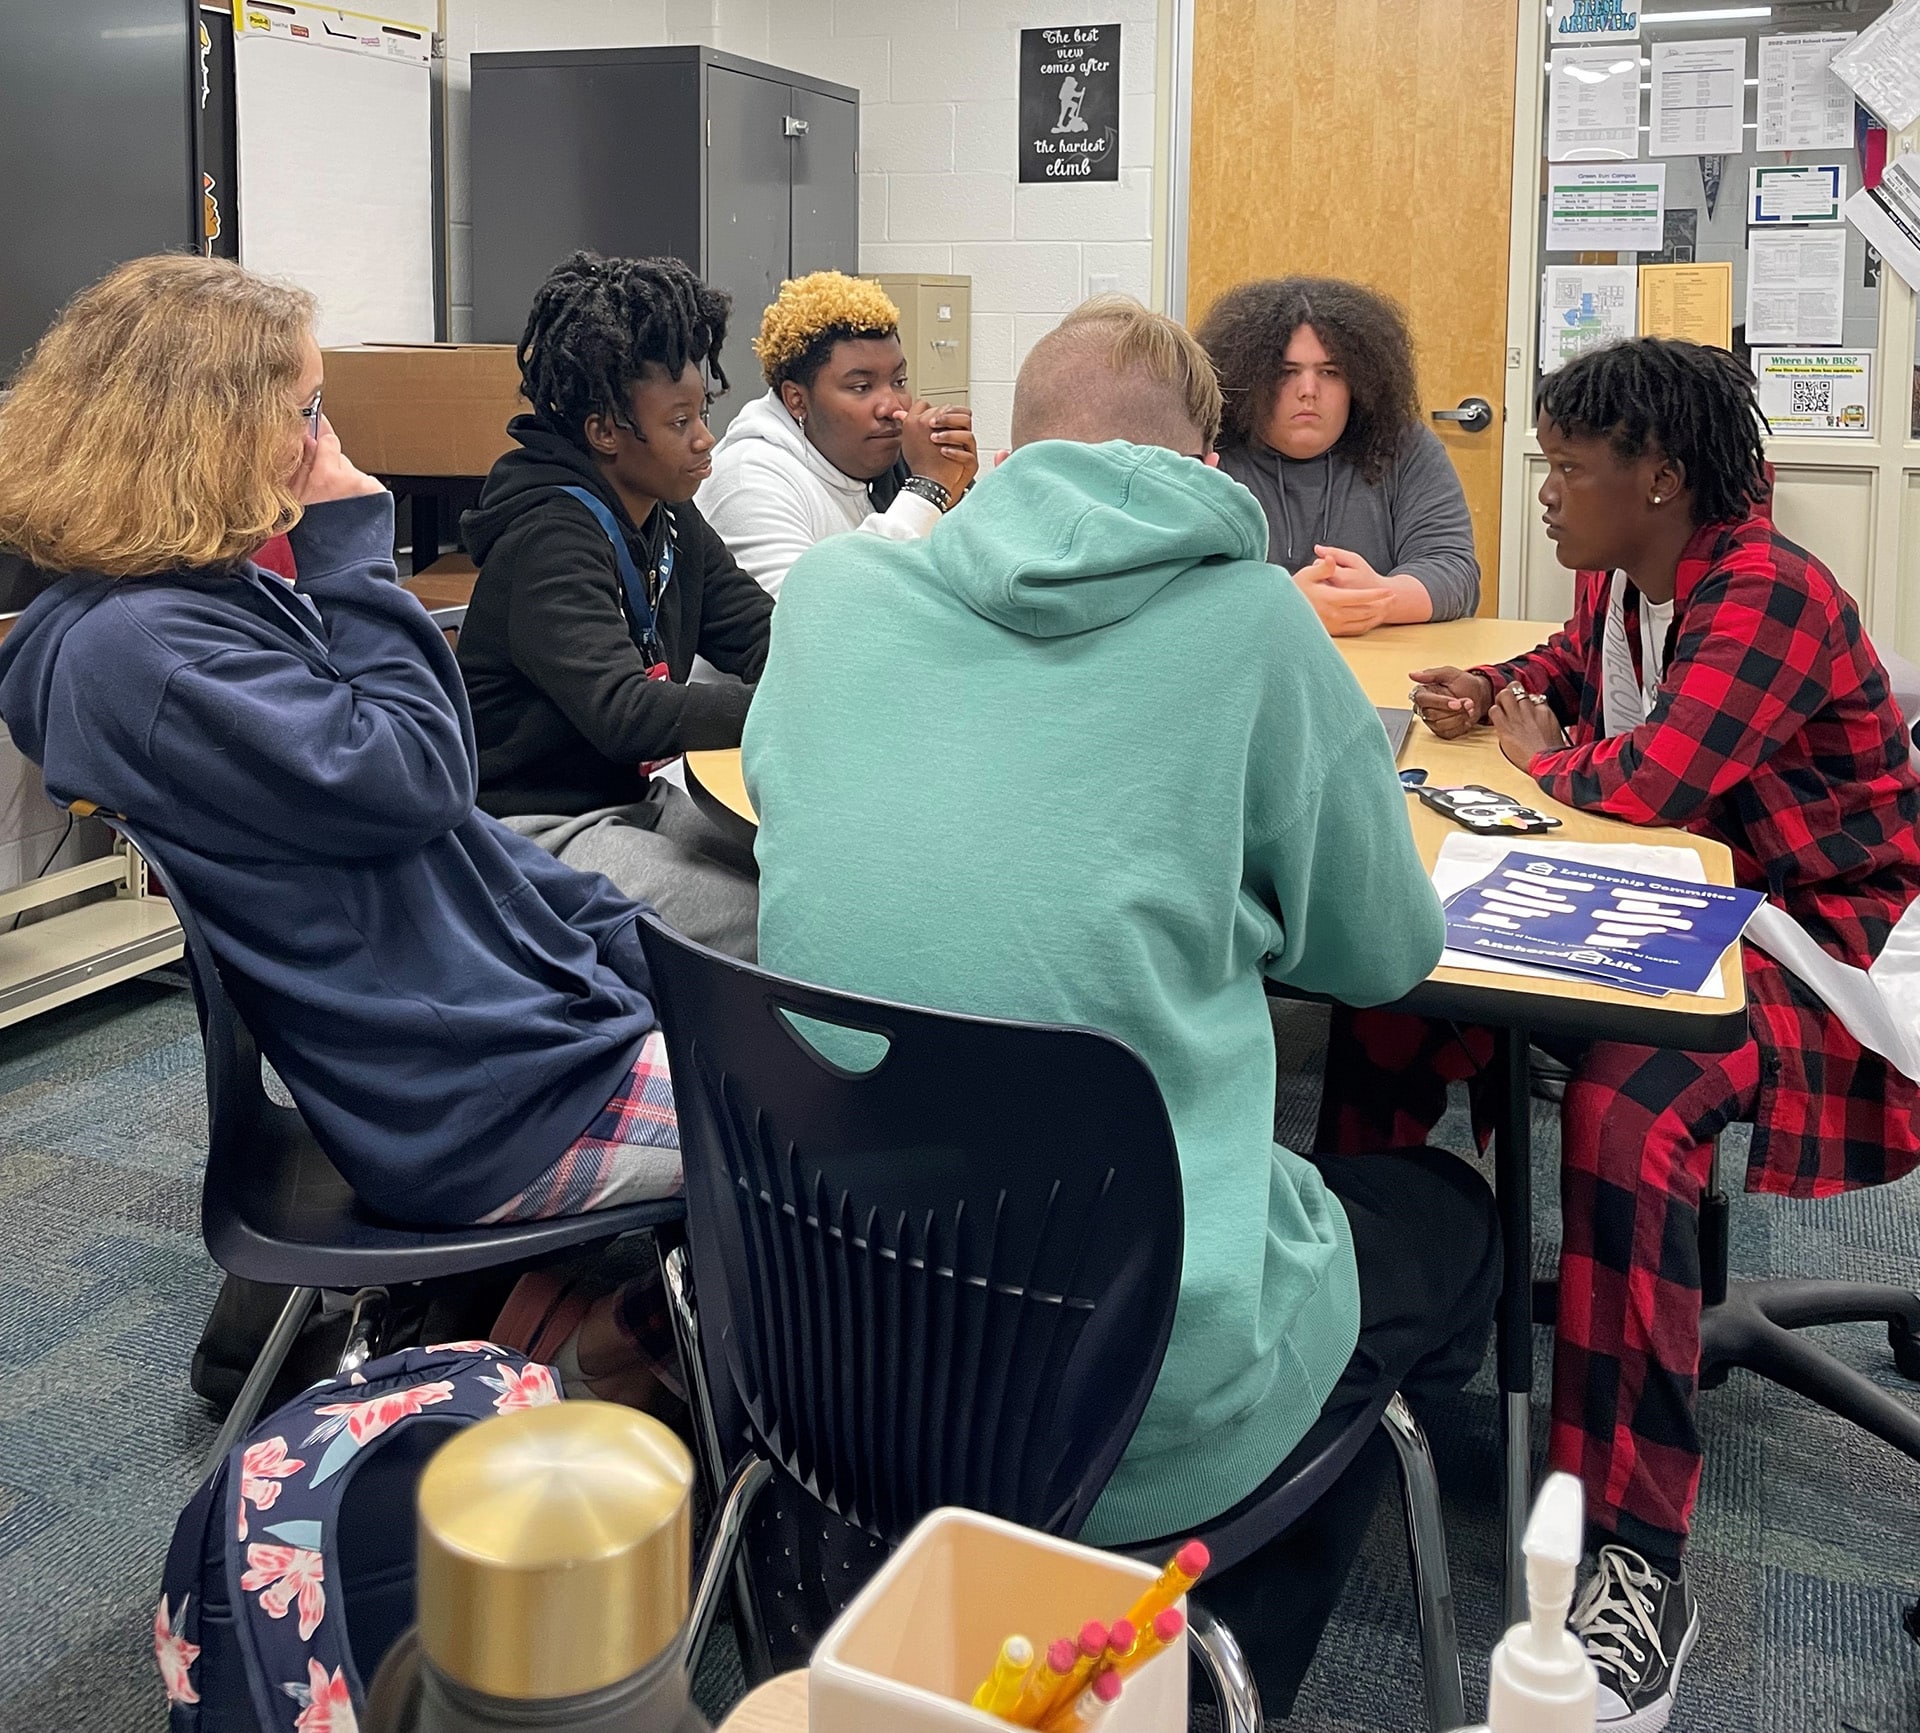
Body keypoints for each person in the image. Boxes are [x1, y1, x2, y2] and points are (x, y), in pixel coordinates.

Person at [744, 296, 1500, 1711]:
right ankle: (1212, 1647)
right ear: (1203, 463)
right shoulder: (1255, 622)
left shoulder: (835, 599)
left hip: (829, 1326)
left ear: (1009, 451)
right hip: (1125, 1381)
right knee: (1451, 1218)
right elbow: (1386, 954)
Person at [1330, 337, 1920, 1729]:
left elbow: (1653, 776)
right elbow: (1564, 665)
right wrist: (1487, 691)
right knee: (1390, 1000)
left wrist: (1547, 756)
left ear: (1659, 479)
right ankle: (1352, 1350)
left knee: (1629, 1103)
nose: (1543, 490)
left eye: (1567, 467)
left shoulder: (1768, 591)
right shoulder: (1628, 575)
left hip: (1828, 947)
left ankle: (1635, 1556)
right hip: (1695, 903)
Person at [0, 255, 686, 1252]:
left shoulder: (196, 598)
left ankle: (576, 1318)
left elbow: (451, 832)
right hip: (491, 1105)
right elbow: (423, 774)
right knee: (853, 1150)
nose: (327, 442)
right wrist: (356, 548)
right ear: (213, 432)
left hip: (509, 1045)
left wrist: (625, 939)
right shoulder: (146, 654)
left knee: (784, 1064)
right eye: (308, 411)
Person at [459, 253, 772, 960]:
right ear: (605, 432)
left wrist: (825, 666)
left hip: (634, 803)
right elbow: (624, 714)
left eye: (703, 412)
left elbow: (759, 631)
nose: (705, 438)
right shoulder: (550, 540)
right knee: (769, 923)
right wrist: (786, 704)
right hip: (533, 831)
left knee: (807, 875)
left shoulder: (668, 516)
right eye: (680, 421)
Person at [1198, 276, 1480, 635]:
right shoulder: (1209, 453)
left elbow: (1453, 568)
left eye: (1330, 372)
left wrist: (1379, 597)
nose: (1308, 391)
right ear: (1249, 379)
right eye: (1286, 373)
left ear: (1360, 382)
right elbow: (1177, 587)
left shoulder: (1402, 445)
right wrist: (1283, 606)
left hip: (1379, 660)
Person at [697, 270, 979, 596]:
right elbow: (809, 615)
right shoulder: (748, 481)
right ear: (797, 400)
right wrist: (926, 492)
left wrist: (955, 495)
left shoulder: (892, 460)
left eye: (899, 382)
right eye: (861, 387)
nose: (892, 406)